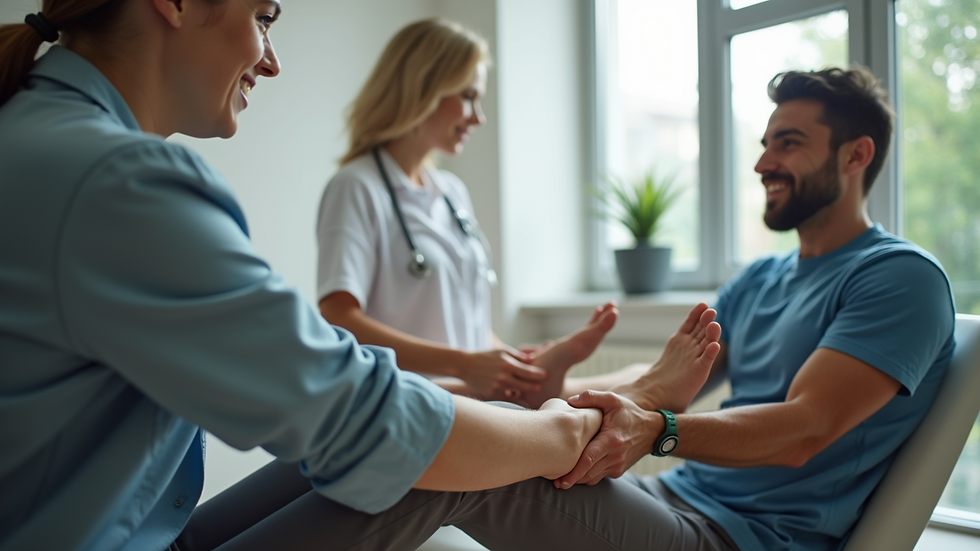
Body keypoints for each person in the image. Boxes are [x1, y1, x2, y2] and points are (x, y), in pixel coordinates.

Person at [0, 2, 723, 550]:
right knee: (426, 462)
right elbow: (362, 404)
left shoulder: (41, 136)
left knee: (407, 443)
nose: (272, 58)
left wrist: (526, 376)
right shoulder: (118, 180)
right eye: (263, 15)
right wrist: (559, 435)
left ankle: (619, 416)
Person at [301, 66, 956, 551]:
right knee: (468, 427)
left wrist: (659, 429)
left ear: (856, 155)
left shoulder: (898, 278)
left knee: (464, 463)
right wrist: (559, 387)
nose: (762, 161)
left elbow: (804, 428)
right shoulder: (762, 276)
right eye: (764, 143)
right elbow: (660, 370)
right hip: (669, 498)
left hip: (739, 538)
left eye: (788, 143)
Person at [316, 18, 622, 407]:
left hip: (470, 400)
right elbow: (338, 318)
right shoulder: (356, 187)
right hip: (406, 405)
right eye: (467, 97)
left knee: (608, 393)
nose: (479, 117)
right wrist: (465, 365)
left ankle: (638, 387)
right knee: (582, 412)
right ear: (422, 88)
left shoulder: (451, 192)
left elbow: (464, 330)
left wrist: (506, 362)